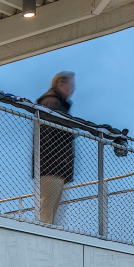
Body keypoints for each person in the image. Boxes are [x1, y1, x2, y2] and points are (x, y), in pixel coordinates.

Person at [34, 72, 76, 224]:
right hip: (53, 164)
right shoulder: (52, 103)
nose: (73, 89)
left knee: (52, 207)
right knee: (48, 207)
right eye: (71, 85)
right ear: (60, 84)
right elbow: (51, 134)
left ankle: (49, 232)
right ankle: (45, 235)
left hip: (55, 164)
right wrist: (59, 157)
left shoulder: (56, 104)